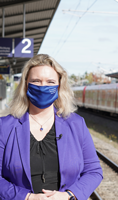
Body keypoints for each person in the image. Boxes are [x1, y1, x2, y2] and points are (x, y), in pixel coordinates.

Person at [0, 54, 103, 200]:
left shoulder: (76, 124)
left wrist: (68, 195)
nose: (43, 87)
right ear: (25, 84)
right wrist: (28, 197)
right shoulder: (5, 127)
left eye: (50, 82)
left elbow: (93, 171)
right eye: (36, 81)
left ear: (59, 86)